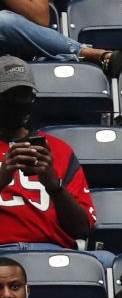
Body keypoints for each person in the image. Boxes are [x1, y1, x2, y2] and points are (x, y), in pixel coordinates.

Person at [0, 56, 97, 248]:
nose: (18, 102)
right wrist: (2, 178)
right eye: (10, 96)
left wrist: (54, 185)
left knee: (104, 259)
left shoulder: (58, 149)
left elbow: (82, 228)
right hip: (2, 253)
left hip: (51, 251)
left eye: (25, 95)